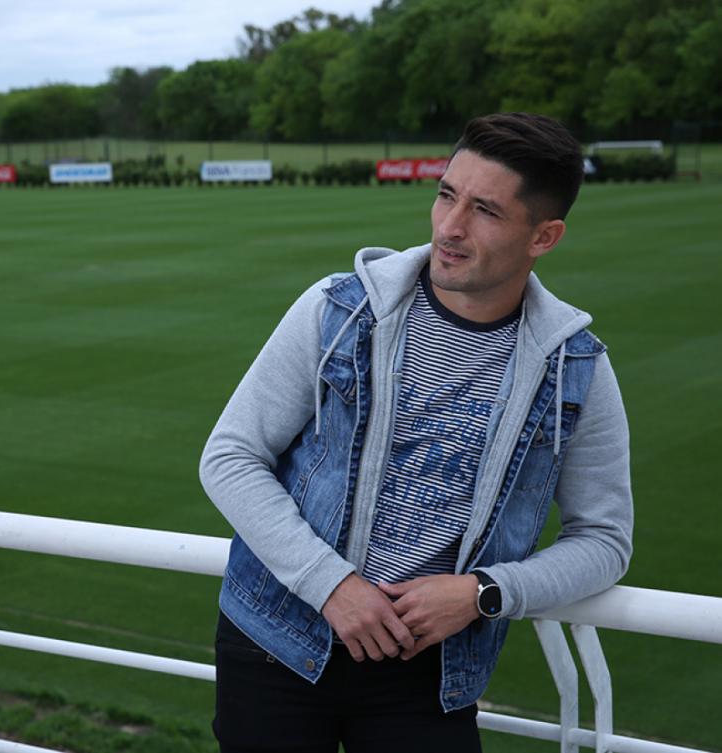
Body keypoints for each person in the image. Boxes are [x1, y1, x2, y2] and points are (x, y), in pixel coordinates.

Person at [198, 112, 633, 753]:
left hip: (428, 673)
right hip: (276, 643)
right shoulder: (338, 310)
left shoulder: (576, 369)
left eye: (485, 210)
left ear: (544, 235)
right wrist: (332, 586)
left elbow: (604, 539)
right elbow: (231, 456)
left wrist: (485, 593)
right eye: (446, 194)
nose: (449, 229)